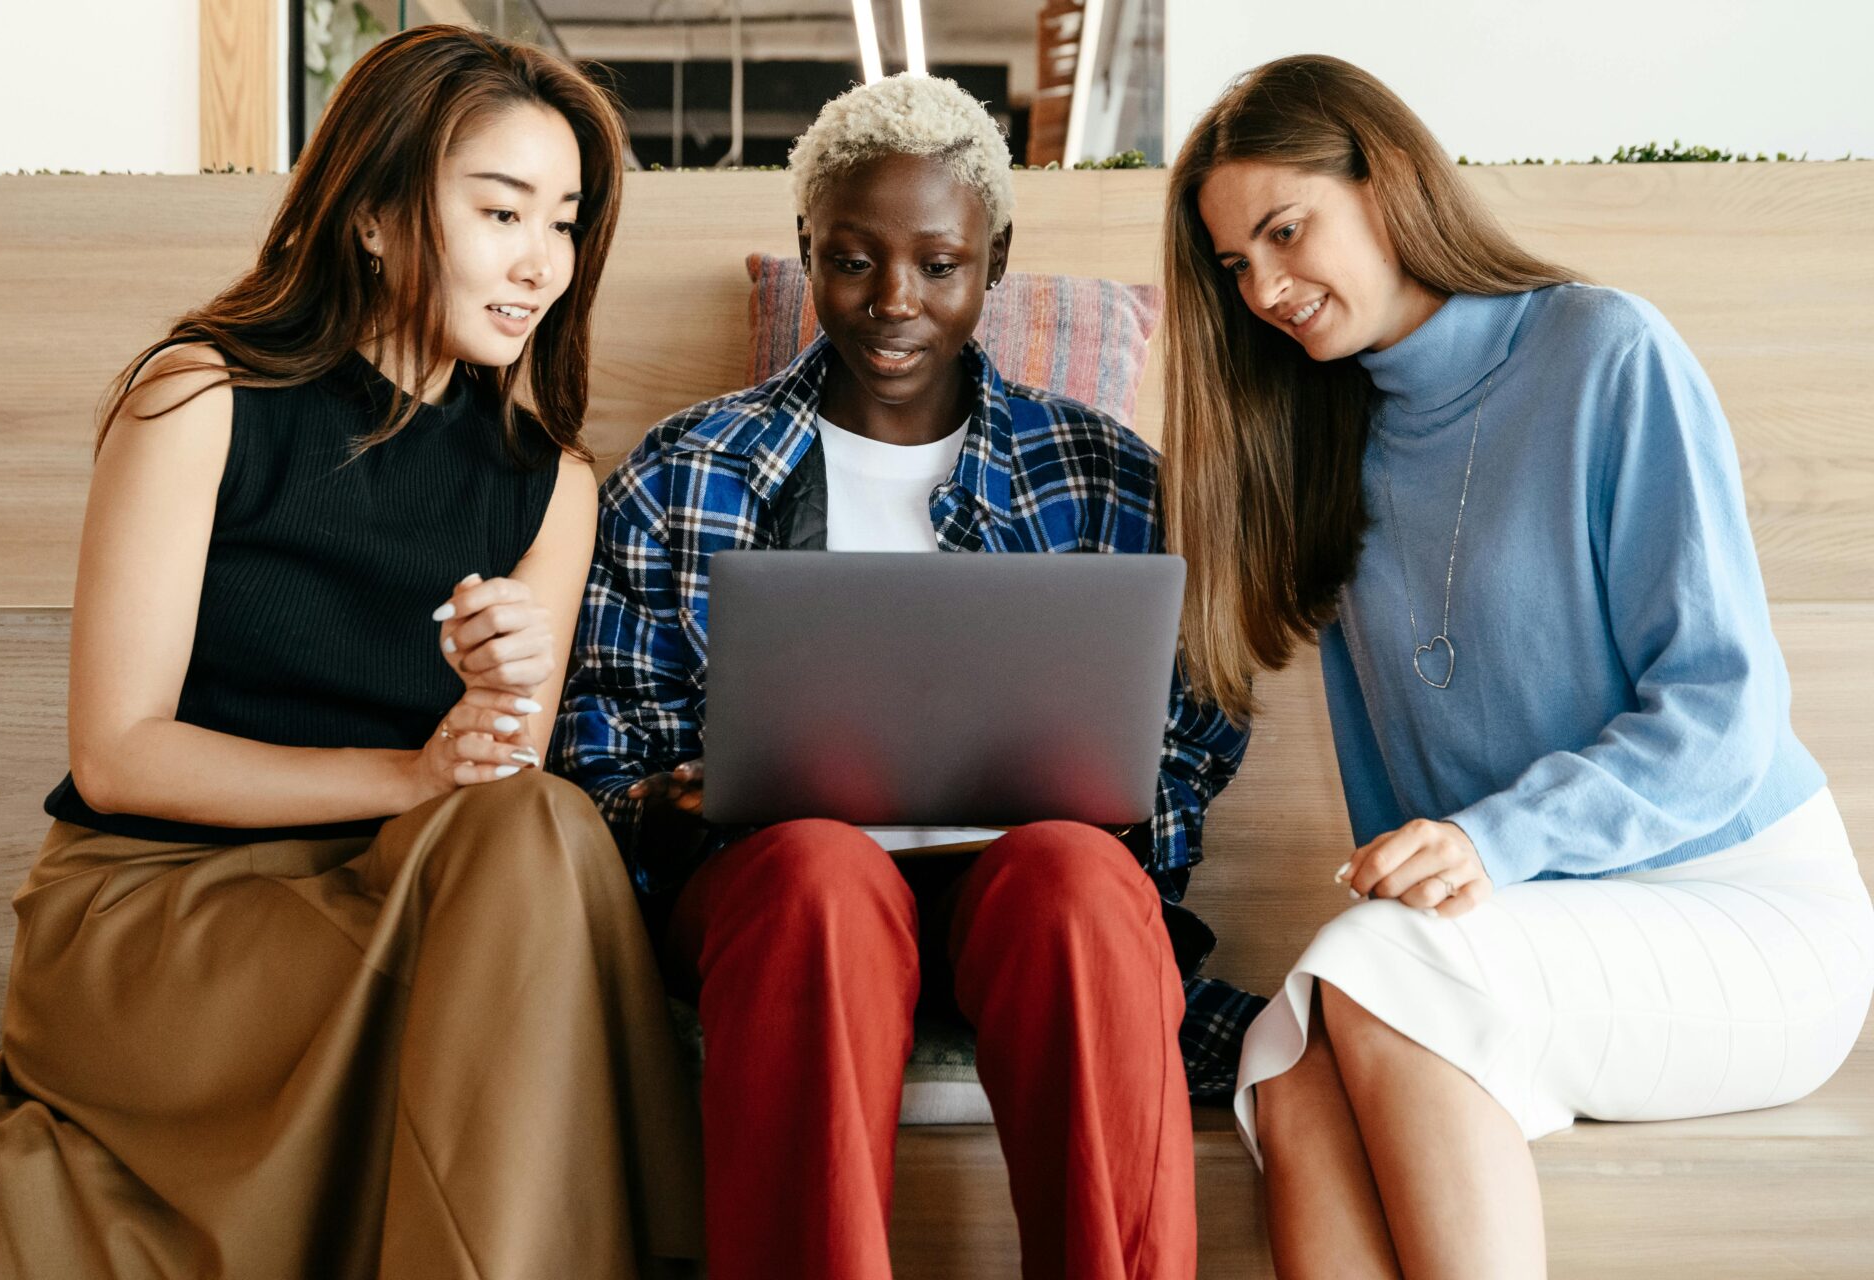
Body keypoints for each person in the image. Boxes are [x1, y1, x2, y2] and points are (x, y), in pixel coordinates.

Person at [0, 26, 700, 1280]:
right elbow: (120, 752)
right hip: (159, 917)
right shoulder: (199, 398)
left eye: (564, 222)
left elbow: (495, 788)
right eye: (502, 211)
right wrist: (410, 774)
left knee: (543, 824)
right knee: (532, 849)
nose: (541, 264)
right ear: (374, 215)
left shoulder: (553, 486)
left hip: (409, 903)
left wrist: (501, 690)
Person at [1159, 53, 1874, 1280]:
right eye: (1236, 265)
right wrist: (1440, 888)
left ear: (1384, 184)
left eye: (1286, 230)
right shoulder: (1328, 448)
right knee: (1287, 1055)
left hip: (1746, 908)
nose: (1267, 287)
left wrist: (1495, 843)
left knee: (1374, 979)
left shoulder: (1605, 352)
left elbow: (1723, 708)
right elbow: (1400, 794)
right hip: (1531, 930)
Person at [554, 72, 1253, 1280]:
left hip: (1025, 885)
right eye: (853, 260)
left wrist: (1124, 801)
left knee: (1081, 883)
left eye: (939, 264)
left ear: (996, 260)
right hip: (782, 894)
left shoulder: (1104, 471)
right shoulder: (686, 467)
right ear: (806, 251)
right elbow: (600, 736)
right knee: (822, 871)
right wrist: (668, 793)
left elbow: (1191, 727)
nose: (894, 302)